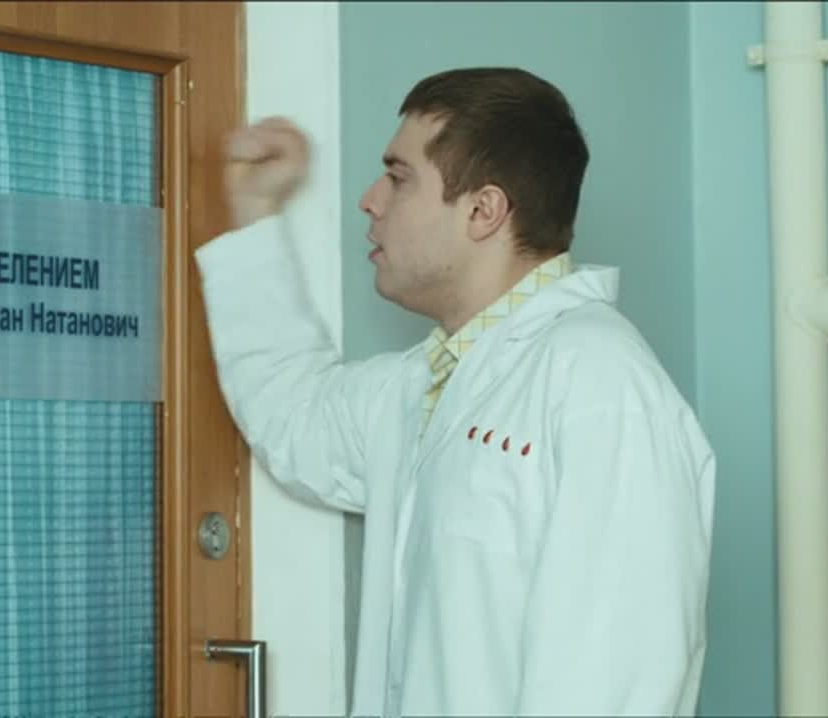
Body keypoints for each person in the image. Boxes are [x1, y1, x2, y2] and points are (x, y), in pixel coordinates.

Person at [194, 67, 716, 717]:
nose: (370, 201)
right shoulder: (424, 384)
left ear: (483, 210)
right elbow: (291, 410)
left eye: (398, 178)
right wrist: (254, 214)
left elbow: (613, 680)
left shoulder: (601, 382)